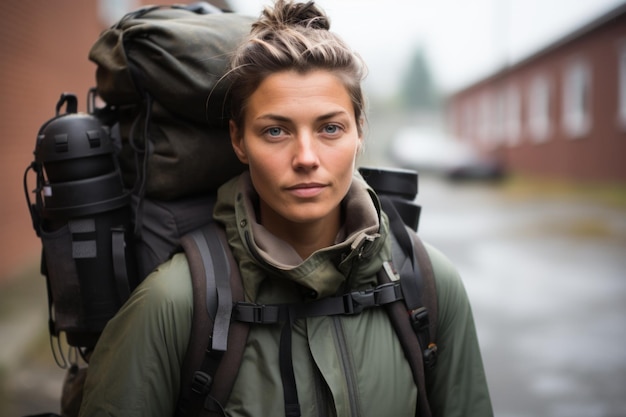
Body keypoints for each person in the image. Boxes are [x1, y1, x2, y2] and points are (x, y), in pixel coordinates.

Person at [79, 1, 493, 416]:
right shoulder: (175, 303)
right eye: (275, 131)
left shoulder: (428, 286)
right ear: (239, 140)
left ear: (359, 132)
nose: (306, 157)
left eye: (330, 128)